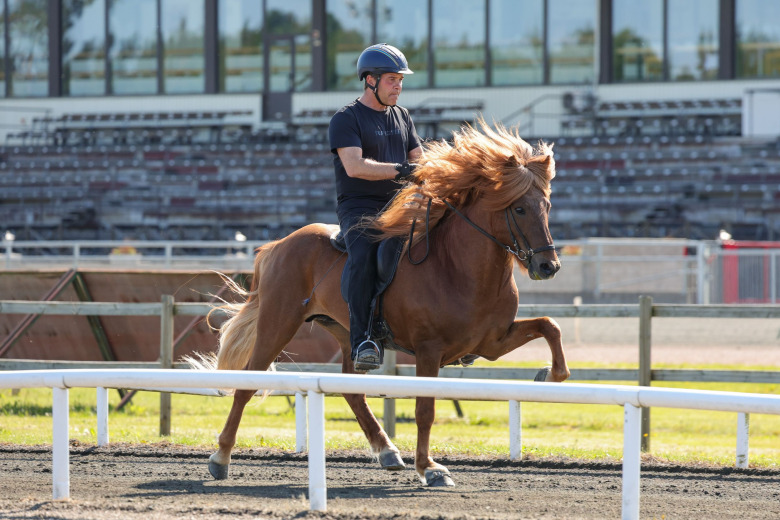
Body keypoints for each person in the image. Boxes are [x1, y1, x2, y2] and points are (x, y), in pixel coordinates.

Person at [328, 43, 422, 372]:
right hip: (360, 207)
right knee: (365, 254)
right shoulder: (346, 119)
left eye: (400, 80)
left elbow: (419, 162)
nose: (399, 86)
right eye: (392, 79)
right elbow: (354, 167)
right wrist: (401, 171)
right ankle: (364, 339)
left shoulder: (403, 116)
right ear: (370, 80)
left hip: (400, 204)